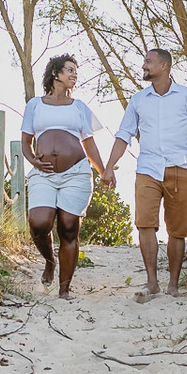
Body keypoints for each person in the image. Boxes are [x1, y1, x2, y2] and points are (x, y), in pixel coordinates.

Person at [104, 48, 187, 298]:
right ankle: (152, 282)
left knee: (178, 230)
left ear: (164, 66)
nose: (143, 66)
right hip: (148, 169)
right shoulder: (139, 100)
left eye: (148, 62)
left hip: (180, 168)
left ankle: (173, 284)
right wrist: (108, 167)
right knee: (144, 224)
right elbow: (124, 135)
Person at [21, 54, 115, 299]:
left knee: (69, 229)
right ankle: (50, 261)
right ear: (55, 73)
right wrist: (33, 161)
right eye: (70, 70)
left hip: (76, 173)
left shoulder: (79, 107)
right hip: (43, 174)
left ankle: (64, 288)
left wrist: (104, 171)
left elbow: (89, 144)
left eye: (76, 71)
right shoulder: (35, 105)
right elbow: (26, 141)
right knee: (39, 223)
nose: (74, 74)